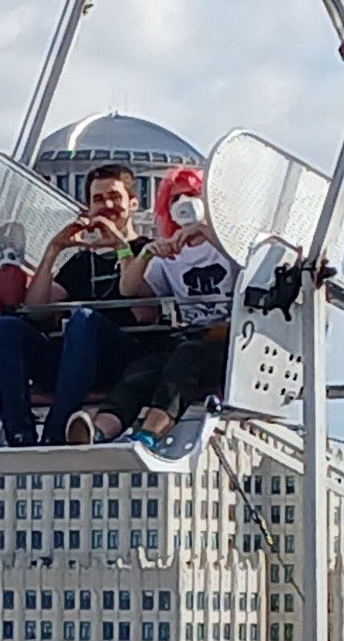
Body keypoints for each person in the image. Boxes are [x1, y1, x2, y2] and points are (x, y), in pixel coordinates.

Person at [64, 166, 236, 451]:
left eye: (193, 195)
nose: (185, 203)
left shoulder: (228, 248)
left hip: (226, 344)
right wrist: (145, 254)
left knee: (187, 357)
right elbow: (130, 290)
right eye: (176, 198)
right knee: (146, 368)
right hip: (189, 339)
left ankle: (151, 431)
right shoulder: (171, 254)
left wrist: (207, 231)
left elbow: (248, 261)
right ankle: (101, 429)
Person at [0, 163, 148, 447]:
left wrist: (121, 246)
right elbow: (36, 310)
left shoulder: (147, 251)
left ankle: (57, 427)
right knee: (5, 328)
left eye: (114, 197)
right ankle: (19, 430)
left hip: (124, 359)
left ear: (133, 204)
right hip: (74, 361)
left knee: (83, 319)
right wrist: (54, 250)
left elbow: (146, 314)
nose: (107, 205)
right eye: (98, 199)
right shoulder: (81, 261)